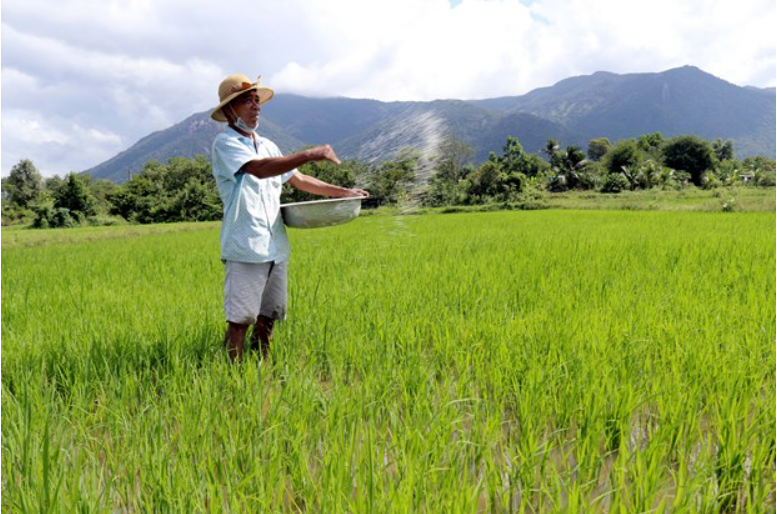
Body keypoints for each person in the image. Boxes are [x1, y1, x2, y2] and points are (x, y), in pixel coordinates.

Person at [210, 74, 368, 362]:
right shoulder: (225, 144)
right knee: (240, 318)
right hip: (245, 245)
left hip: (275, 244)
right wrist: (308, 153)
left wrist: (342, 192)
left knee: (268, 313)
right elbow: (258, 169)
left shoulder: (269, 145)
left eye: (257, 100)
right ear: (230, 110)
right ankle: (229, 377)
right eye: (247, 100)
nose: (255, 105)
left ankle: (263, 366)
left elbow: (298, 179)